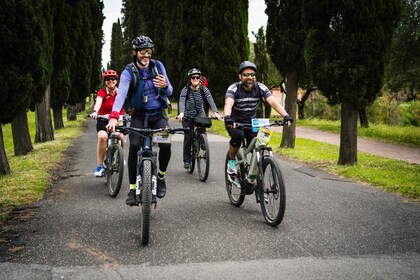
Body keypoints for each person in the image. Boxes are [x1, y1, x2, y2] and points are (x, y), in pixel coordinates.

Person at [106, 35, 173, 206]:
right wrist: (114, 117)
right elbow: (121, 95)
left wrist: (165, 86)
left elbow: (170, 91)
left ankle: (161, 177)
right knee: (134, 145)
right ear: (134, 53)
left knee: (165, 144)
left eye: (149, 51)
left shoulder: (158, 66)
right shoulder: (129, 72)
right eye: (143, 52)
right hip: (138, 116)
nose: (146, 55)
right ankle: (132, 188)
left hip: (158, 116)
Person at [224, 61, 293, 178]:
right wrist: (227, 117)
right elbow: (228, 103)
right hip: (235, 123)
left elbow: (273, 103)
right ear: (240, 76)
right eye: (246, 75)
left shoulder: (260, 87)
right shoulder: (234, 88)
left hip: (252, 123)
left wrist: (286, 115)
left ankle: (256, 174)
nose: (249, 77)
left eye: (252, 74)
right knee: (238, 137)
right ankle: (231, 162)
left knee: (261, 143)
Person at [177, 68, 222, 169]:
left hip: (200, 113)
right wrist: (181, 113)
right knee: (188, 137)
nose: (195, 79)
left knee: (202, 129)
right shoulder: (185, 90)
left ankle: (202, 142)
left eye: (197, 77)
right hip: (188, 114)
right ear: (190, 79)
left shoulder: (203, 89)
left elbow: (210, 99)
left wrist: (216, 112)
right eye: (193, 77)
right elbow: (182, 101)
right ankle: (187, 160)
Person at [89, 70, 125, 177]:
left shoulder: (121, 93)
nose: (110, 81)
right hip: (103, 120)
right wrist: (95, 111)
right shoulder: (102, 92)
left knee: (121, 138)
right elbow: (98, 101)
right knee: (102, 137)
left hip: (118, 120)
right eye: (108, 79)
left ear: (116, 81)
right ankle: (100, 165)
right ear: (105, 82)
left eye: (113, 79)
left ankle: (119, 156)